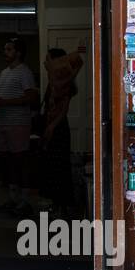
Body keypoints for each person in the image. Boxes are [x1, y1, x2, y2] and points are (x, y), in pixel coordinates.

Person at [0, 36, 39, 216]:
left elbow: (30, 97)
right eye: (5, 49)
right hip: (3, 122)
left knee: (20, 160)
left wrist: (5, 103)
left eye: (9, 49)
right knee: (8, 161)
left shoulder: (24, 72)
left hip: (18, 122)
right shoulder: (4, 72)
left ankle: (25, 199)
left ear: (18, 52)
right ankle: (13, 198)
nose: (5, 52)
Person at [41, 45, 86, 216]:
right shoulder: (54, 81)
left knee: (59, 166)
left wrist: (51, 127)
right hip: (54, 126)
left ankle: (62, 206)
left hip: (58, 127)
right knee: (53, 166)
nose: (46, 62)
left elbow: (63, 109)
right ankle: (57, 203)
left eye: (48, 59)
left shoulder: (62, 83)